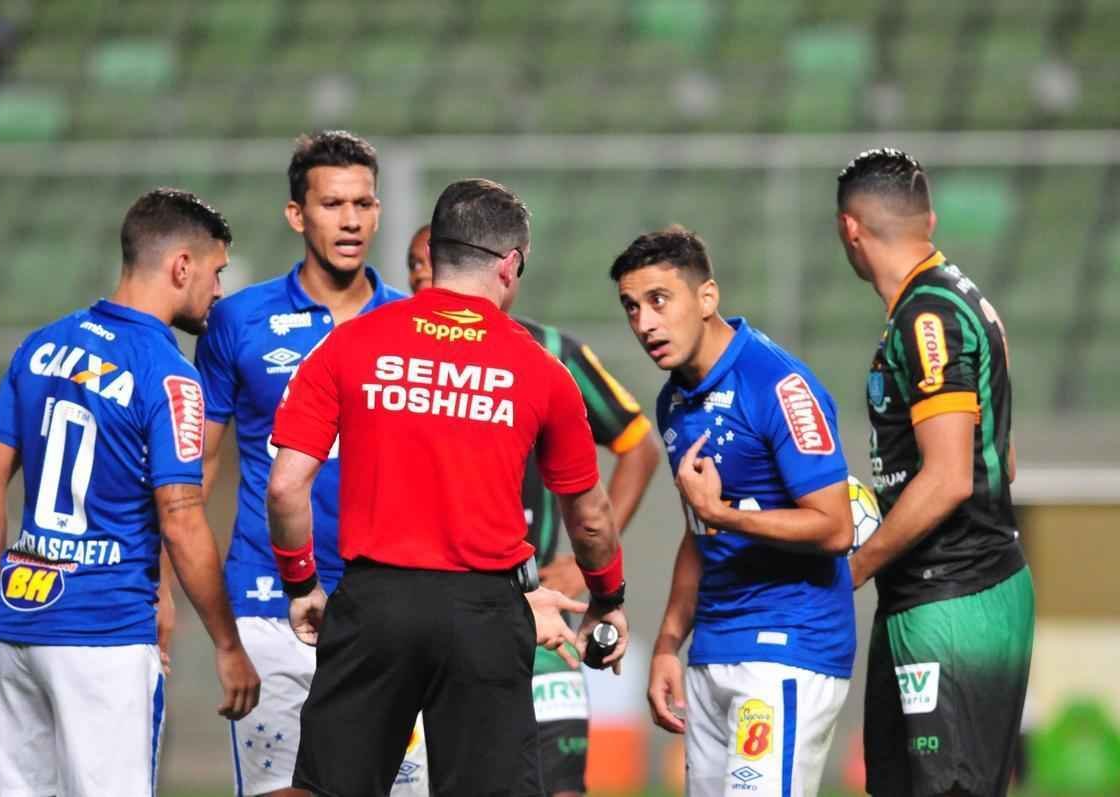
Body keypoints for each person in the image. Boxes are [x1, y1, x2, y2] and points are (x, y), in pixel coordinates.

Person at [267, 178, 630, 796]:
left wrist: (301, 580)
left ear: (433, 254)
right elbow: (590, 517)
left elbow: (284, 487)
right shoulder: (541, 369)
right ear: (510, 265)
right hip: (485, 614)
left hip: (373, 605)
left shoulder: (350, 343)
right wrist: (607, 595)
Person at [0, 188, 260, 797]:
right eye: (216, 271)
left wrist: (1, 585)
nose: (218, 290)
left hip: (17, 627)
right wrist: (227, 643)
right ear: (182, 266)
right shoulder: (171, 377)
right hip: (102, 634)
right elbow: (181, 521)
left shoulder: (41, 346)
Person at [192, 130, 432, 797]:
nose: (351, 219)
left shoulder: (412, 325)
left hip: (382, 601)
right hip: (267, 601)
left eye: (363, 203)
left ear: (378, 211)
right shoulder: (237, 320)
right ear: (297, 214)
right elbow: (197, 470)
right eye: (332, 204)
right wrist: (166, 590)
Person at [406, 221, 660, 797]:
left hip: (536, 612)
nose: (428, 278)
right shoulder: (393, 360)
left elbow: (637, 445)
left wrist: (582, 563)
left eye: (435, 264)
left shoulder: (548, 353)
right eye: (417, 267)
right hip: (430, 612)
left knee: (561, 786)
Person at [612, 228, 855, 796]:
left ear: (707, 298)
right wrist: (670, 644)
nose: (644, 322)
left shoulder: (780, 385)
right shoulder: (674, 400)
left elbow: (835, 525)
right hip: (713, 649)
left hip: (787, 648)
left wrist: (724, 513)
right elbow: (700, 530)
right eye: (631, 306)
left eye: (658, 300)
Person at [836, 148, 1033, 797]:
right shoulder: (945, 300)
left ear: (850, 230)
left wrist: (854, 566)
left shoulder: (930, 316)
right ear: (931, 219)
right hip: (932, 591)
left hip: (953, 596)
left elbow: (948, 478)